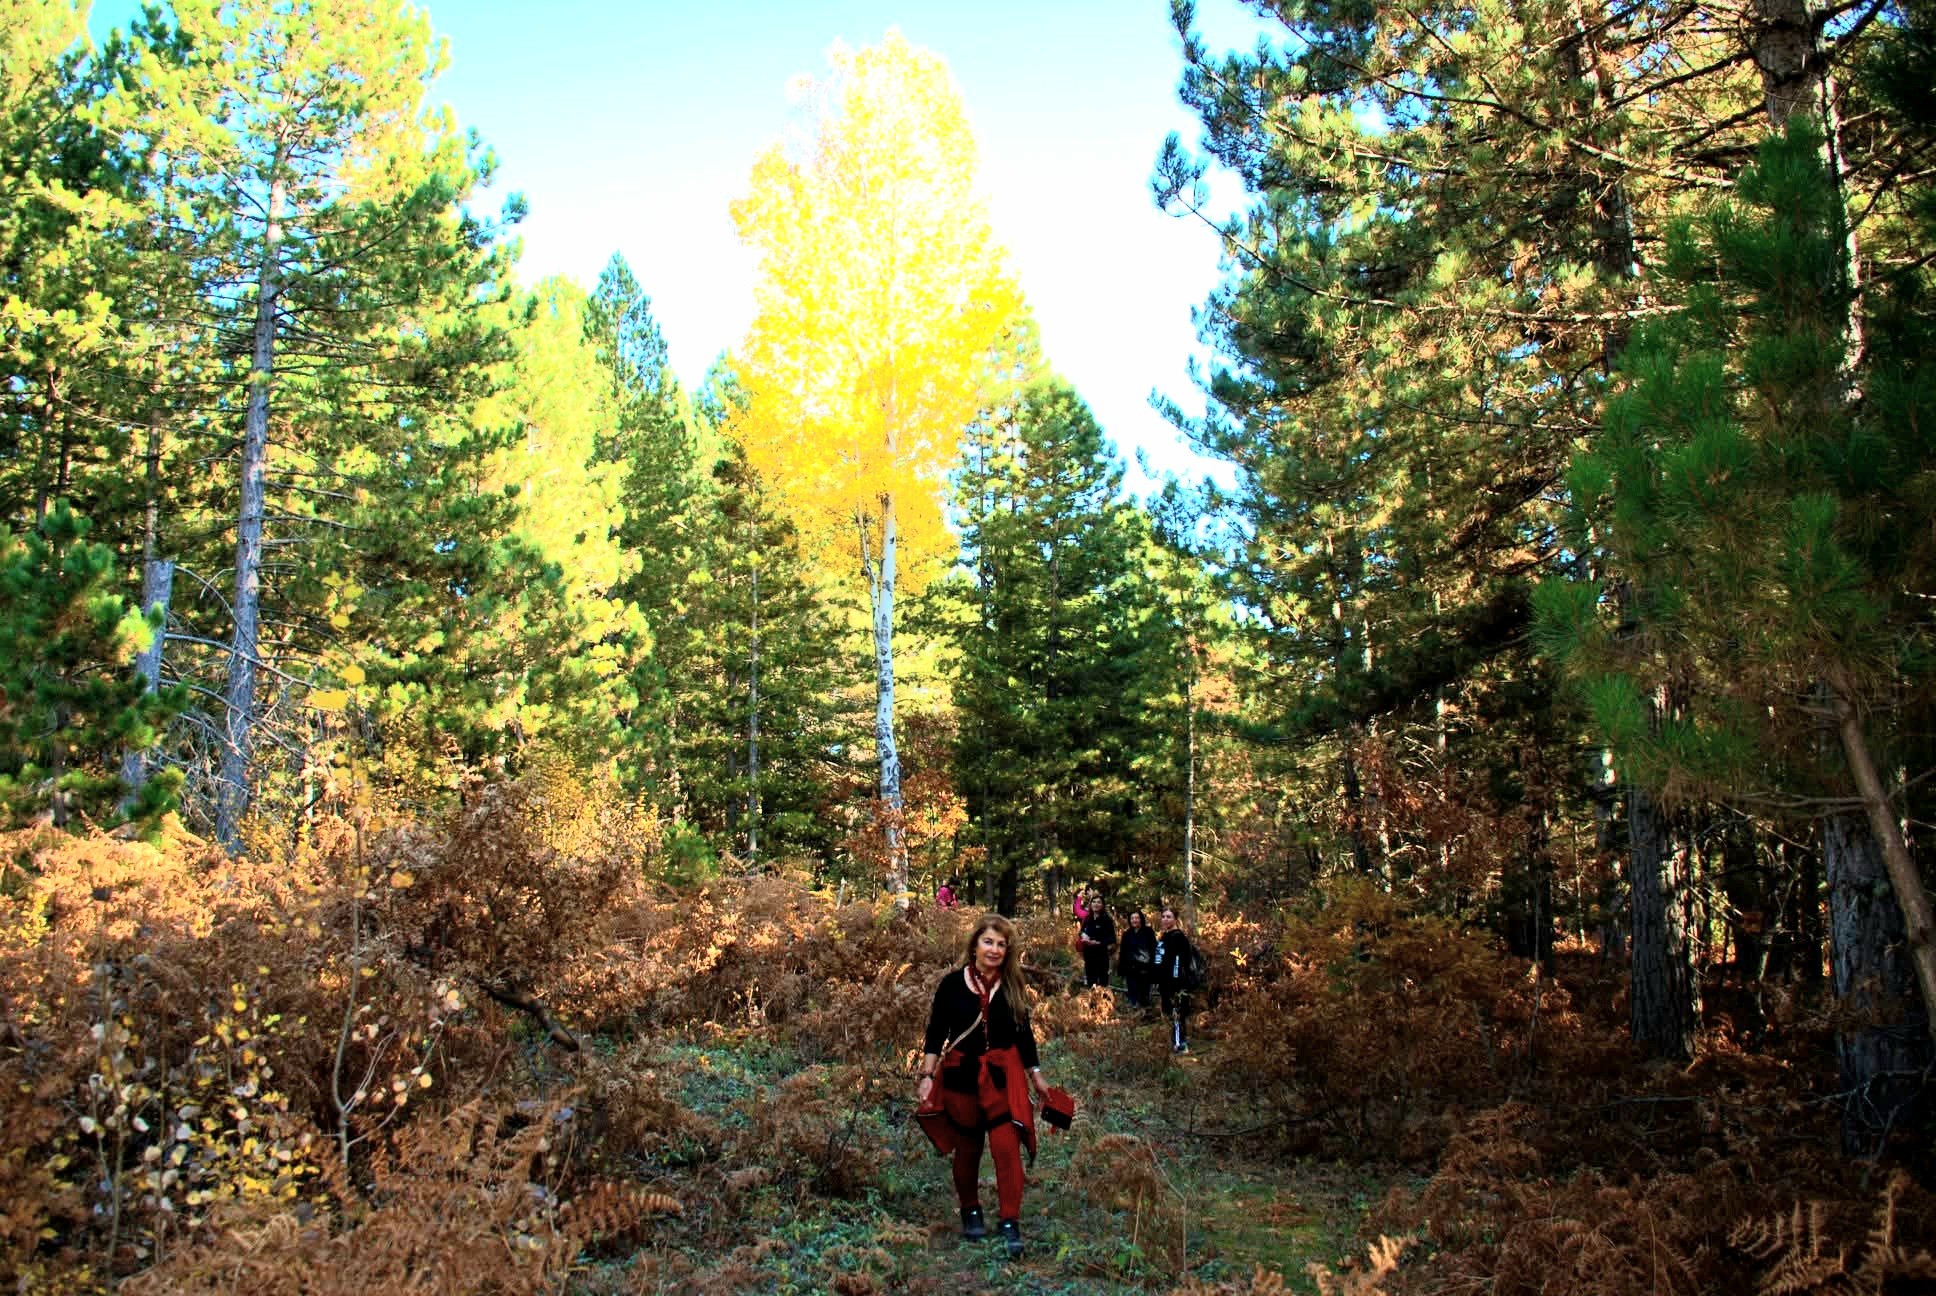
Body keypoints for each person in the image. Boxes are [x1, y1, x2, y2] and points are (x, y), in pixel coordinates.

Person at [914, 913, 1053, 1259]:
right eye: (988, 942)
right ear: (974, 944)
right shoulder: (950, 985)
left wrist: (1035, 1075)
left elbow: (1025, 1035)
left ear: (1008, 951)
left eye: (1001, 944)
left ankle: (1010, 1221)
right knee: (969, 1149)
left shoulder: (1011, 986)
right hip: (962, 1077)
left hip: (1003, 1078)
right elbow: (936, 1033)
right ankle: (971, 1209)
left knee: (1007, 1149)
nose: (994, 949)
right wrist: (928, 1076)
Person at [1156, 906, 1196, 1053]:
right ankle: (1175, 1041)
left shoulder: (1178, 937)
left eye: (1169, 917)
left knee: (1177, 1013)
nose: (1165, 919)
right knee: (1169, 1012)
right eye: (1163, 916)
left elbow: (1179, 961)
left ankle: (1180, 1044)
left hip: (1176, 982)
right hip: (1164, 982)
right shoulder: (1164, 936)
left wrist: (1175, 980)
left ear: (1175, 919)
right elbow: (1160, 960)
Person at [1117, 909, 1157, 1009]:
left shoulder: (1148, 932)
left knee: (1144, 994)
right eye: (1132, 918)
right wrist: (1121, 968)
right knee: (1132, 993)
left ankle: (1145, 1012)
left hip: (1145, 968)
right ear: (1130, 920)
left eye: (1137, 918)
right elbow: (1123, 951)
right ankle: (1134, 1013)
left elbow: (1153, 949)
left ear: (1141, 919)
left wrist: (1154, 966)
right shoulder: (1127, 934)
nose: (1135, 920)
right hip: (1130, 968)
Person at [1077, 893, 1116, 989]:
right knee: (1091, 980)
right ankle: (1092, 1000)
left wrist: (1099, 942)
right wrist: (1083, 935)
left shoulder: (1106, 920)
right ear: (1091, 904)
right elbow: (1081, 931)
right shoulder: (1087, 918)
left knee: (1102, 982)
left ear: (1102, 905)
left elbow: (1112, 938)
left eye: (1099, 902)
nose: (1096, 904)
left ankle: (1103, 1002)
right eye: (1094, 902)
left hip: (1101, 955)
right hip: (1088, 954)